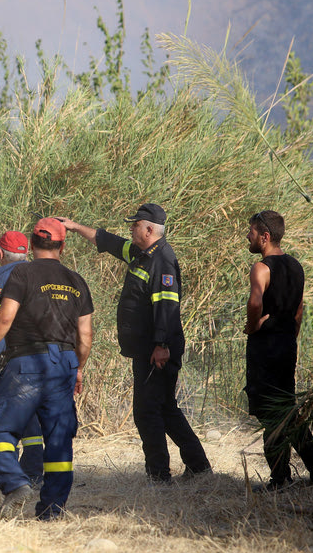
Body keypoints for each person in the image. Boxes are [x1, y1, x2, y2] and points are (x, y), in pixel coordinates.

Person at [58, 204, 211, 482]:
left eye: (135, 224)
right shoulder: (142, 254)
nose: (131, 228)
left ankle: (159, 475)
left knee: (146, 411)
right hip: (148, 349)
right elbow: (109, 242)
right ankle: (199, 467)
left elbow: (167, 306)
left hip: (158, 350)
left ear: (149, 229)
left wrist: (161, 344)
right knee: (165, 408)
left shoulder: (162, 259)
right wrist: (75, 226)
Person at [0, 218, 93, 520]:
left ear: (33, 242)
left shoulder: (21, 273)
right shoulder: (76, 281)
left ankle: (15, 485)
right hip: (64, 364)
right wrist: (77, 367)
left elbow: (4, 318)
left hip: (25, 362)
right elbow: (86, 335)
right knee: (58, 439)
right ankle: (52, 510)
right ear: (62, 246)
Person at [244, 210, 313, 491]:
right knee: (285, 408)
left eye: (252, 232)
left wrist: (253, 325)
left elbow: (255, 302)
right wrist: (293, 330)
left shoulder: (261, 268)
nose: (249, 236)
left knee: (271, 411)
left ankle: (280, 478)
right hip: (286, 345)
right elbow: (300, 306)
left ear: (265, 237)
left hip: (265, 347)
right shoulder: (296, 266)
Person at [0, 230, 43, 488]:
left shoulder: (3, 277)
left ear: (2, 253)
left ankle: (12, 475)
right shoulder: (38, 274)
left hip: (9, 358)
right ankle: (34, 470)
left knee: (2, 419)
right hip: (38, 359)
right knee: (31, 415)